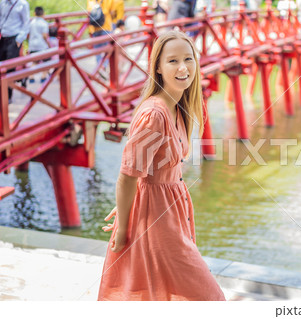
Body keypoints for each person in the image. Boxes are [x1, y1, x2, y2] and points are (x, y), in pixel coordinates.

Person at [98, 30, 226, 301]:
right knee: (209, 297)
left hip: (167, 210)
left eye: (188, 59)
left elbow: (144, 173)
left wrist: (132, 202)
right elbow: (127, 175)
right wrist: (123, 227)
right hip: (157, 216)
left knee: (161, 290)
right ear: (157, 67)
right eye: (172, 61)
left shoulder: (177, 107)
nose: (183, 68)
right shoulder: (155, 114)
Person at [0, 0, 30, 102]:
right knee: (1, 66)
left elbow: (26, 22)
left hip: (14, 38)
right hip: (3, 37)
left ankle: (8, 96)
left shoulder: (22, 4)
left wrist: (19, 40)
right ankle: (2, 94)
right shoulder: (2, 3)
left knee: (10, 67)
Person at [87, 0, 114, 72]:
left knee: (97, 50)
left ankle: (99, 67)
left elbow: (89, 12)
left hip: (94, 28)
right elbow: (111, 10)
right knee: (107, 48)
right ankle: (103, 66)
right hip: (106, 26)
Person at [28, 6, 51, 83]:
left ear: (34, 13)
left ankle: (31, 77)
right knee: (46, 61)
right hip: (42, 45)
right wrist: (48, 44)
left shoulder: (31, 22)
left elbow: (28, 34)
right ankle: (43, 77)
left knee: (34, 62)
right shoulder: (44, 23)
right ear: (43, 14)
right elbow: (45, 36)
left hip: (32, 45)